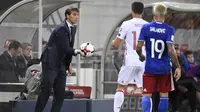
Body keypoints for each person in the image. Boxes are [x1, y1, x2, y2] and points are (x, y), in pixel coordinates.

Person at [35, 7, 83, 112]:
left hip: (61, 63)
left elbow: (67, 47)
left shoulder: (73, 28)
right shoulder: (61, 28)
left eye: (77, 15)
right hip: (50, 62)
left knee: (60, 93)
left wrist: (68, 63)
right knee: (46, 90)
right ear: (67, 16)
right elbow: (64, 47)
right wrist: (79, 51)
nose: (77, 17)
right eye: (74, 14)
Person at [136, 3, 181, 112]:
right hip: (164, 68)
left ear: (153, 14)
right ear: (166, 15)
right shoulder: (169, 29)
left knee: (146, 94)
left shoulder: (145, 28)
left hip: (150, 67)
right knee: (164, 95)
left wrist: (141, 55)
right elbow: (170, 50)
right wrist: (178, 66)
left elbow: (138, 47)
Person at [111, 2, 148, 112]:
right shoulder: (148, 25)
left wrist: (113, 43)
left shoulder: (126, 24)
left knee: (121, 87)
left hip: (130, 61)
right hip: (143, 61)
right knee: (145, 90)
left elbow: (116, 44)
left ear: (132, 11)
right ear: (143, 12)